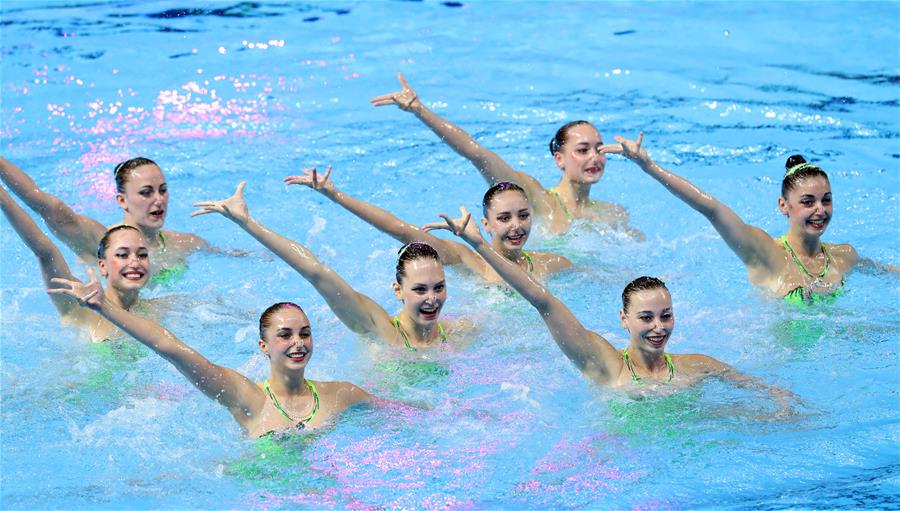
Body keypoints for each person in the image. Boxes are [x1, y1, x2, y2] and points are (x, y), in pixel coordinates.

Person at [426, 207, 794, 408]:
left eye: (666, 316)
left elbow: (756, 387)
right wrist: (479, 245)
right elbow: (544, 302)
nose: (658, 327)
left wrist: (780, 400)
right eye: (646, 318)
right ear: (624, 319)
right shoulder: (605, 363)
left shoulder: (696, 365)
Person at [48, 272, 374, 438]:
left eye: (304, 333)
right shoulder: (247, 397)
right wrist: (104, 307)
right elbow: (171, 348)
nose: (298, 342)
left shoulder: (339, 394)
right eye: (285, 335)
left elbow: (404, 414)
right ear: (264, 347)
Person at [608, 133, 897, 303]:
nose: (820, 210)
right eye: (807, 202)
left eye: (826, 200)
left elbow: (884, 272)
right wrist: (648, 166)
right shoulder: (766, 253)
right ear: (784, 206)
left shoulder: (844, 255)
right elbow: (710, 208)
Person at [192, 182, 470, 351]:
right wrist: (248, 223)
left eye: (439, 288)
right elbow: (316, 272)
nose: (432, 299)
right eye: (420, 289)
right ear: (398, 290)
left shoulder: (459, 332)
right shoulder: (378, 327)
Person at [370, 73, 644, 239]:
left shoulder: (613, 214)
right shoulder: (535, 198)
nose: (594, 157)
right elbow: (476, 153)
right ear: (559, 158)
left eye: (599, 148)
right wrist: (421, 112)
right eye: (582, 150)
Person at [283, 166, 572, 284]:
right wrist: (335, 196)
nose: (516, 226)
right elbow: (400, 229)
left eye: (523, 215)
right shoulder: (468, 260)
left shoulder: (552, 263)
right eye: (504, 218)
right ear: (485, 224)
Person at [0, 156, 209, 282]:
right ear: (122, 200)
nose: (159, 200)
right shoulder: (102, 241)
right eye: (146, 192)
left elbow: (240, 257)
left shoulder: (186, 243)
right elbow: (47, 206)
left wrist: (242, 221)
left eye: (163, 191)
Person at [1, 185, 149, 342]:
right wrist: (3, 198)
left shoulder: (163, 309)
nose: (134, 261)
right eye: (122, 255)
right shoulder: (79, 308)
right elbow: (44, 252)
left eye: (142, 255)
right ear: (102, 266)